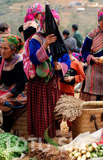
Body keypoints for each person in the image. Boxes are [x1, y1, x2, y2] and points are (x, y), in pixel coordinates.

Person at [26, 10, 70, 138]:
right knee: (40, 111)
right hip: (38, 82)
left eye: (55, 25)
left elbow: (66, 59)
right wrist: (45, 45)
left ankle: (52, 135)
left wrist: (60, 66)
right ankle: (41, 137)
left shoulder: (59, 39)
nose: (51, 27)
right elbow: (34, 59)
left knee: (52, 110)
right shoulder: (35, 39)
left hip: (52, 81)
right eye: (49, 24)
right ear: (42, 23)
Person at [0, 35, 27, 132]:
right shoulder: (1, 60)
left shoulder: (19, 62)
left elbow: (21, 85)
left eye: (5, 48)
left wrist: (6, 96)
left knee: (4, 104)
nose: (2, 51)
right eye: (1, 48)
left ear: (13, 50)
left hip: (18, 92)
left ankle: (7, 130)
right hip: (3, 89)